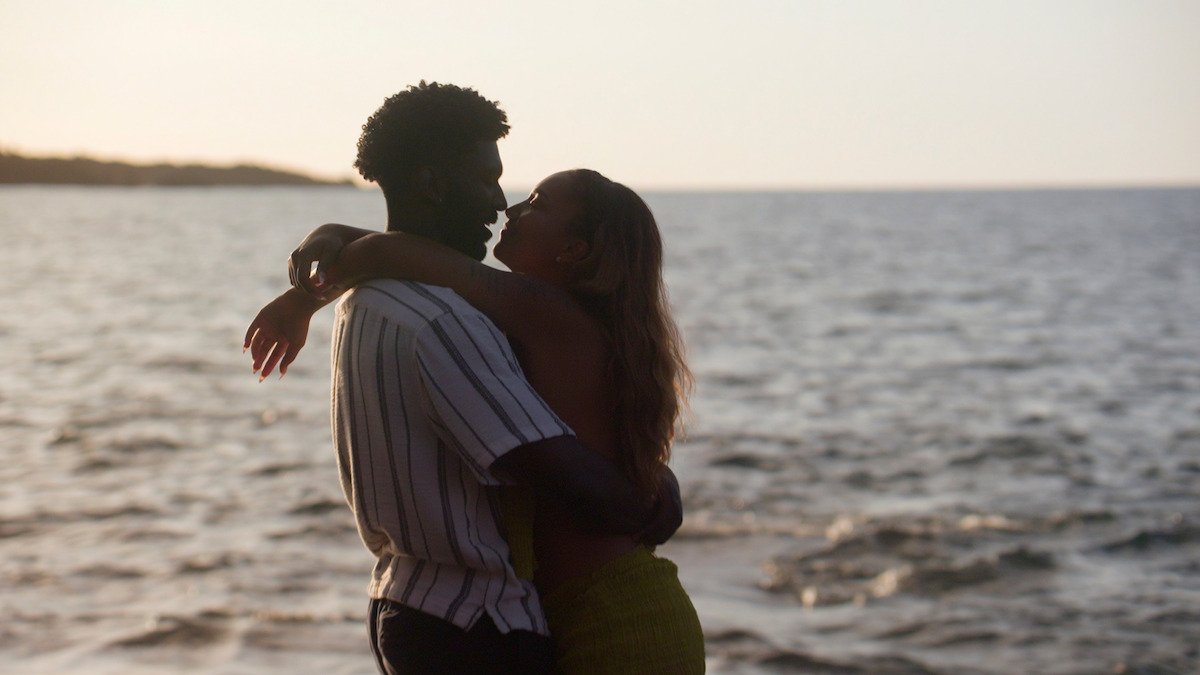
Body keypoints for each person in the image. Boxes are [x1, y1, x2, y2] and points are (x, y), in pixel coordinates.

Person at [244, 82, 682, 674]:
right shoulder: (452, 320)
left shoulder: (382, 305)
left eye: (531, 200)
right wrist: (650, 490)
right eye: (489, 181)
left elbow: (399, 254)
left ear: (574, 249)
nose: (504, 205)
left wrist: (313, 283)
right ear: (431, 182)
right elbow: (584, 484)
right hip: (501, 621)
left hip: (576, 611)